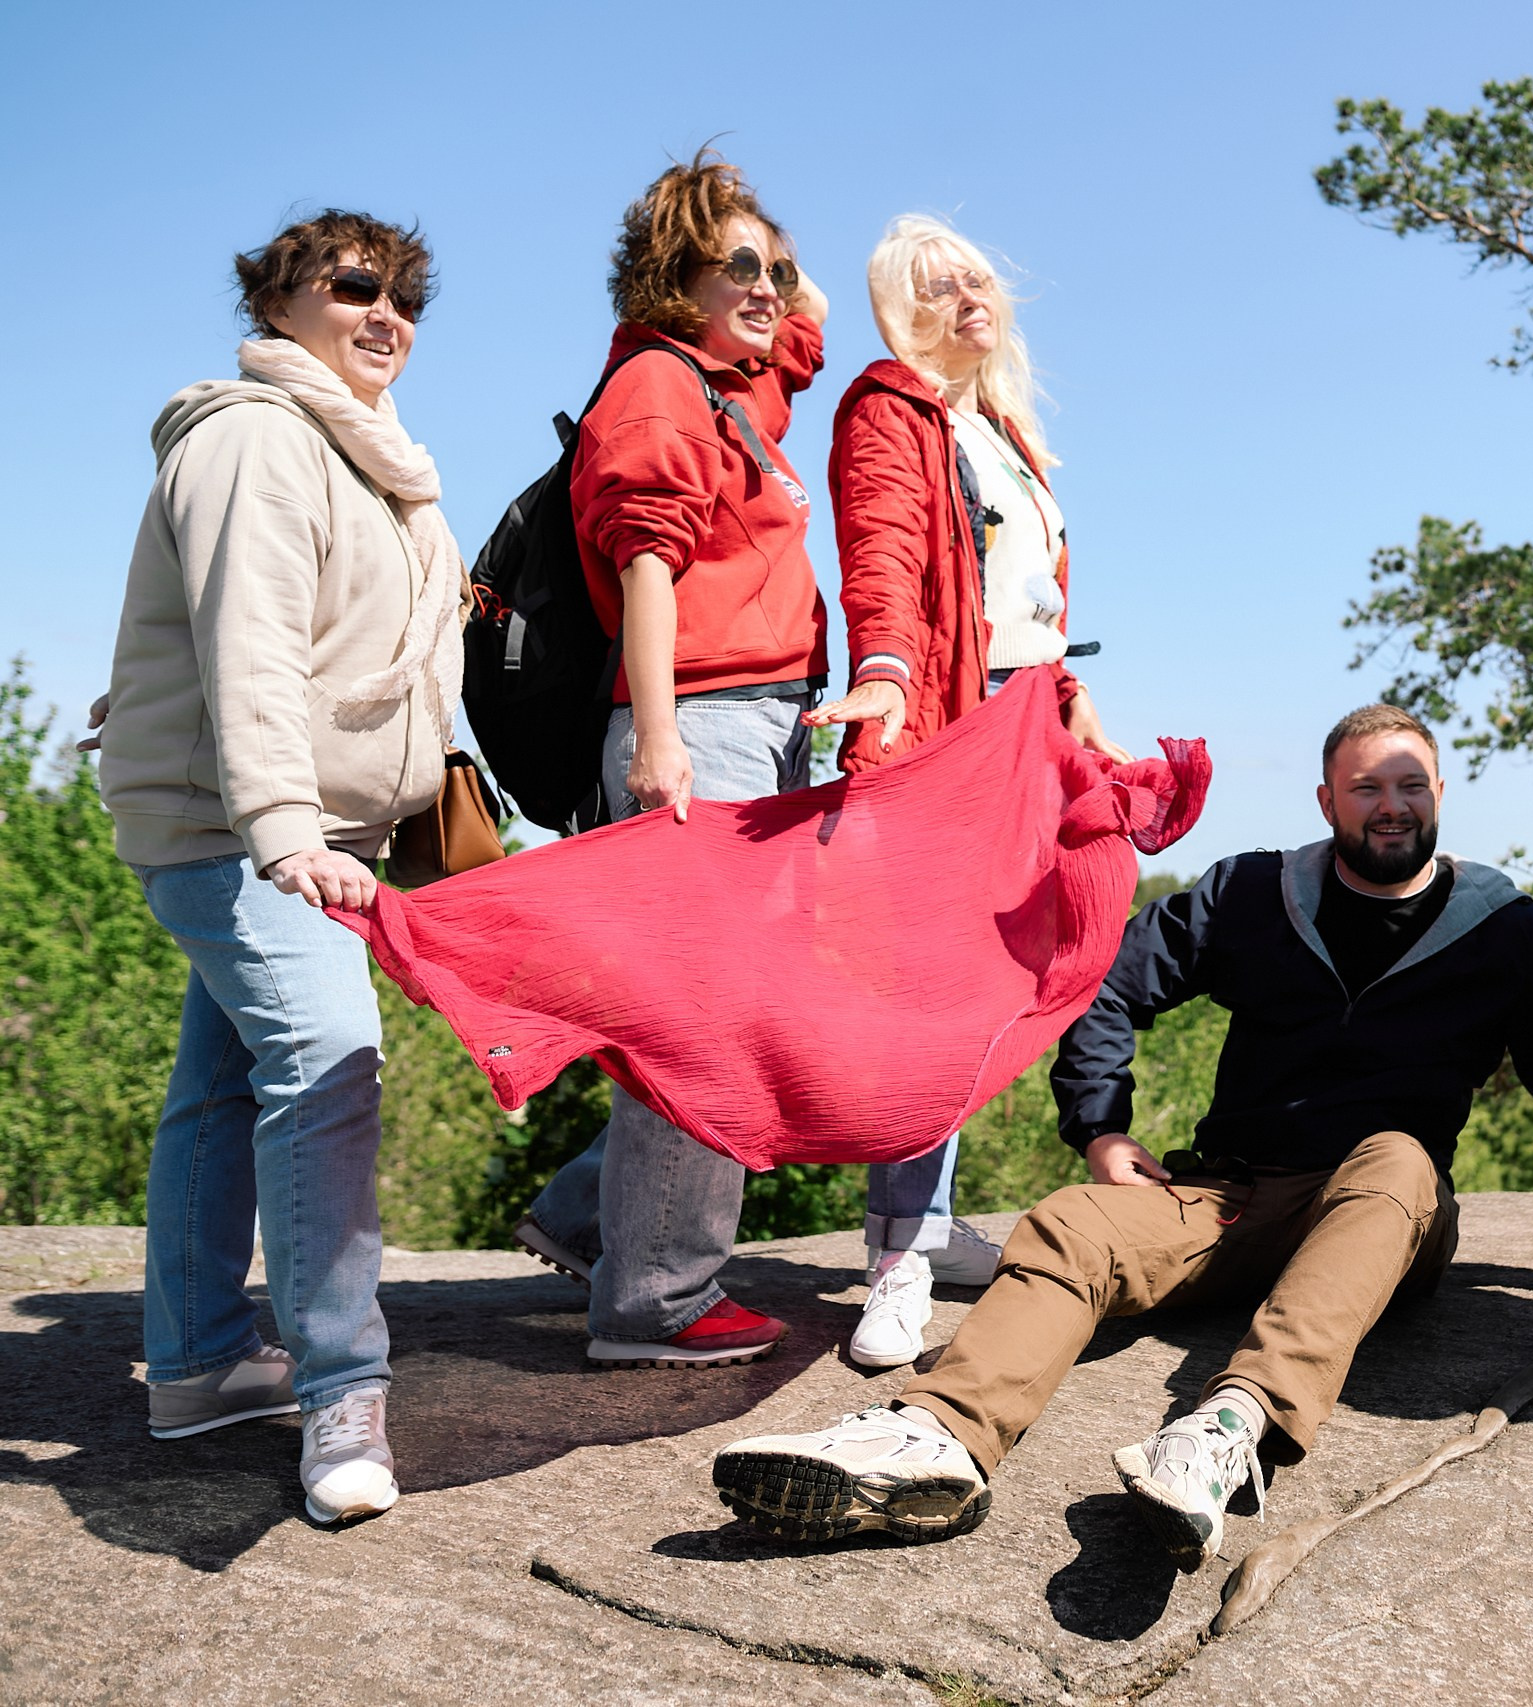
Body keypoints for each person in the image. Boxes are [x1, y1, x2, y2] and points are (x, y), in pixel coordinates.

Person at [709, 704, 1533, 1566]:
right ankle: (935, 1441)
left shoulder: (1499, 926)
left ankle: (1229, 1431)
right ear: (1324, 801)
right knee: (1068, 1224)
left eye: (1409, 785)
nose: (1390, 805)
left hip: (1379, 1212)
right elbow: (1107, 986)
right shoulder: (1256, 895)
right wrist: (1100, 1130)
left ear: (1438, 793)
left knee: (1397, 1157)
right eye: (1365, 788)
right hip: (1229, 1198)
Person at [97, 210, 459, 1524]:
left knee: (222, 1085)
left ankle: (196, 1363)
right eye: (356, 284)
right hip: (241, 828)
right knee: (330, 1058)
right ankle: (341, 1388)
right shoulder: (256, 437)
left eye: (409, 294)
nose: (388, 312)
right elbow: (247, 644)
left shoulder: (375, 466)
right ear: (278, 301)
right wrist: (288, 831)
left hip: (305, 828)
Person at [509, 150, 831, 1370]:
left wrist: (771, 281)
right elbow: (648, 564)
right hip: (700, 720)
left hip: (763, 723)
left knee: (723, 1007)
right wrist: (656, 745)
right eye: (736, 264)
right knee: (707, 1019)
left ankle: (594, 1217)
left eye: (779, 267)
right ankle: (657, 1301)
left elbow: (798, 337)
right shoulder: (657, 386)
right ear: (669, 278)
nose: (768, 288)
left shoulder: (734, 388)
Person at [799, 215, 1128, 1370]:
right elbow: (881, 556)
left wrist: (1069, 690)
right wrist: (883, 673)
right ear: (899, 307)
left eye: (977, 277)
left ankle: (917, 1226)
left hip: (1025, 721)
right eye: (935, 286)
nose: (966, 297)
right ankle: (898, 1256)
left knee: (991, 986)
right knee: (926, 995)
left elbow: (1021, 598)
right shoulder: (891, 406)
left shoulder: (1002, 431)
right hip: (946, 719)